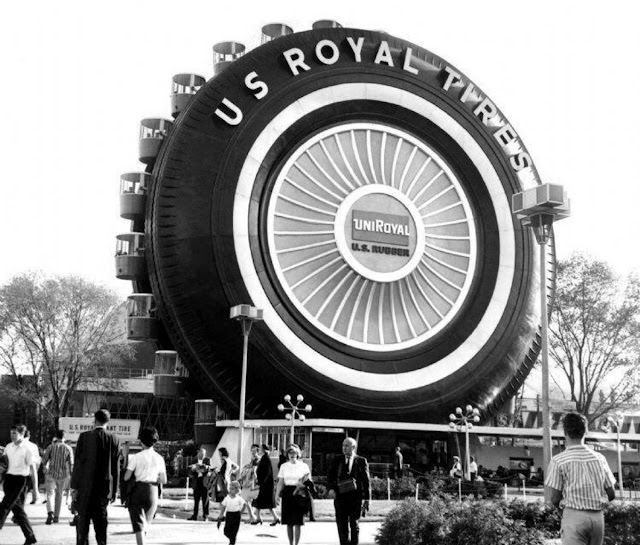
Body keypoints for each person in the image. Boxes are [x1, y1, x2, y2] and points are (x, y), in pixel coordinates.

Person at [545, 412, 616, 545]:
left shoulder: (558, 461)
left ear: (565, 432)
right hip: (597, 518)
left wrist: (562, 511)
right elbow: (611, 494)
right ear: (586, 432)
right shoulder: (600, 459)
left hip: (574, 516)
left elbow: (554, 498)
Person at [70, 409, 120, 545]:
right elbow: (116, 468)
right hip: (103, 489)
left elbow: (78, 464)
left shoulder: (84, 437)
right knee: (101, 524)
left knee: (83, 524)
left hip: (85, 487)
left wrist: (74, 487)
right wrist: (114, 490)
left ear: (94, 420)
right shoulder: (114, 439)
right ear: (108, 421)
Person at [123, 427, 167, 545]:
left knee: (139, 526)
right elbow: (163, 479)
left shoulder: (136, 457)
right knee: (146, 524)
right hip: (153, 491)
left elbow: (126, 477)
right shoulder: (159, 458)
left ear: (141, 441)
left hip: (138, 490)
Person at [327, 437, 371, 545]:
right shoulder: (337, 460)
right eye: (343, 445)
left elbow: (366, 481)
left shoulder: (361, 461)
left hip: (355, 499)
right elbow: (330, 476)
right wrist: (331, 489)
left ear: (353, 447)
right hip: (340, 497)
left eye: (347, 446)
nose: (344, 448)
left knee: (354, 525)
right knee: (342, 526)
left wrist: (367, 498)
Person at [0, 424, 38, 544]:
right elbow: (4, 465)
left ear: (22, 434)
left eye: (15, 433)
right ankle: (30, 537)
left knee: (4, 507)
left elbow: (32, 469)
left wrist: (35, 489)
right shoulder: (8, 447)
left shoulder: (27, 449)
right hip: (8, 479)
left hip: (20, 481)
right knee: (18, 511)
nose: (12, 435)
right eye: (11, 433)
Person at [276, 444, 311, 545]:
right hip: (287, 493)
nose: (292, 454)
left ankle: (296, 544)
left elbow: (308, 480)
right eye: (290, 452)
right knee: (289, 522)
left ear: (298, 454)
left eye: (294, 452)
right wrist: (277, 495)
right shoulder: (284, 466)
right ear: (287, 454)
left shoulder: (304, 466)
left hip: (299, 493)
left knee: (297, 522)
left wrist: (302, 485)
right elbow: (281, 482)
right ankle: (290, 543)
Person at [42, 430, 74, 524]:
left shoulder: (50, 447)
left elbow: (44, 460)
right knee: (59, 495)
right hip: (63, 474)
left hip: (51, 473)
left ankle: (50, 512)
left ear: (56, 437)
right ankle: (56, 516)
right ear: (64, 437)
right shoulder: (68, 448)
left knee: (50, 494)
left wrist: (45, 468)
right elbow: (71, 463)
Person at [253, 444, 280, 525]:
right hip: (264, 484)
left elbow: (267, 472)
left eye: (260, 449)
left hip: (265, 485)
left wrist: (261, 482)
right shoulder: (264, 458)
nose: (259, 450)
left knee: (266, 502)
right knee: (259, 502)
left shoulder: (266, 459)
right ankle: (259, 518)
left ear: (264, 450)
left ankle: (276, 518)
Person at [218, 480, 245, 545]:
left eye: (232, 489)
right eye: (230, 488)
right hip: (229, 514)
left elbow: (244, 505)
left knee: (234, 530)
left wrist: (241, 512)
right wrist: (221, 514)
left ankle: (232, 542)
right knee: (226, 531)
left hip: (236, 515)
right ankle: (231, 538)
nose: (230, 490)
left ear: (237, 490)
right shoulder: (227, 498)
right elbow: (223, 506)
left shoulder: (239, 498)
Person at [188, 447, 211, 521]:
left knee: (206, 500)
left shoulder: (207, 460)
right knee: (196, 500)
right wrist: (194, 469)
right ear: (198, 453)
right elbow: (190, 470)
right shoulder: (194, 459)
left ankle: (205, 516)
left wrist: (204, 468)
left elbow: (210, 469)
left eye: (204, 454)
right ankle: (195, 515)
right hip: (196, 481)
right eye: (201, 453)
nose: (203, 455)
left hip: (204, 482)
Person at [238, 444, 259, 523]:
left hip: (251, 483)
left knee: (245, 500)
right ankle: (250, 516)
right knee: (245, 500)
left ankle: (252, 517)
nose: (253, 452)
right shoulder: (253, 459)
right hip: (249, 482)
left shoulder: (257, 459)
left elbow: (254, 471)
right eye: (252, 450)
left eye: (255, 450)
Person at [24, 430, 41, 505]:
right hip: (32, 470)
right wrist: (36, 470)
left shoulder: (17, 444)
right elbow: (37, 460)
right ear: (29, 436)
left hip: (20, 470)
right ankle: (35, 497)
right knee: (33, 485)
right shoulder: (33, 446)